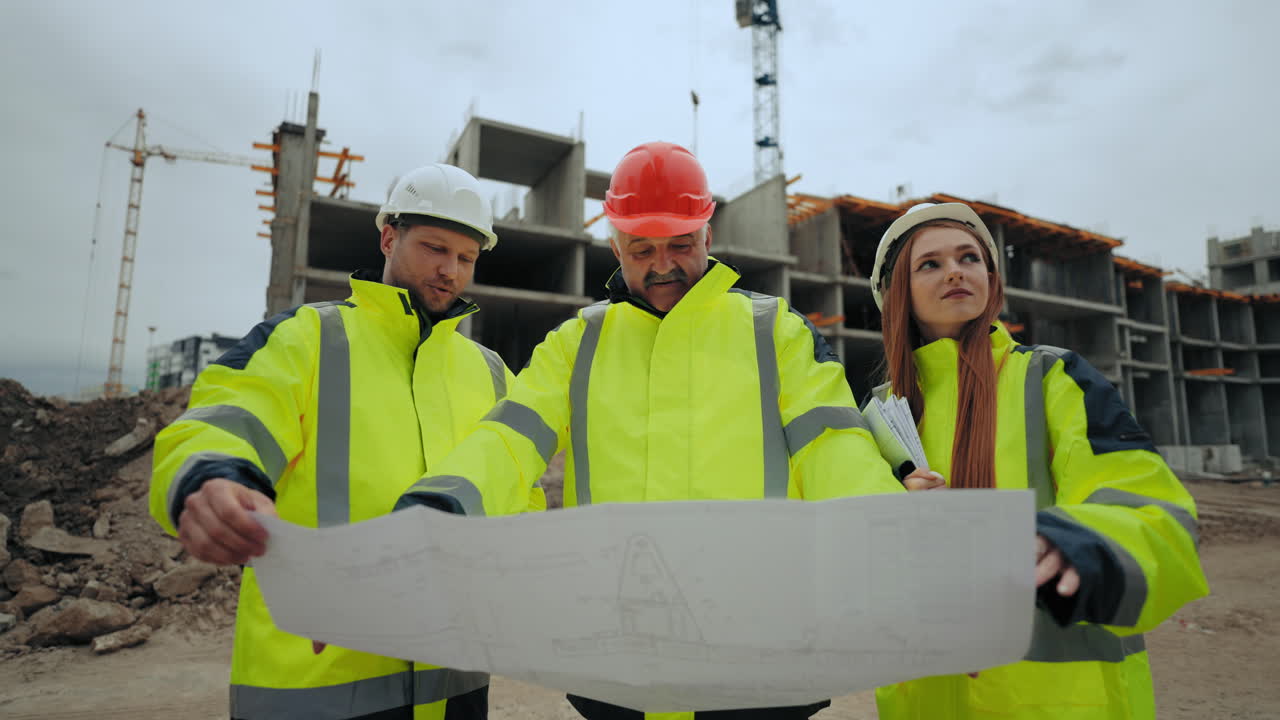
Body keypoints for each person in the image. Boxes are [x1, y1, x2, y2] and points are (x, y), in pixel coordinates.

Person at [396, 141, 904, 720]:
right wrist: (444, 506)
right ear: (616, 246)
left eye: (680, 244)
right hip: (622, 670)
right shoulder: (577, 343)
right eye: (642, 248)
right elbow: (510, 439)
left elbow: (832, 444)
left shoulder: (774, 333)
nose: (663, 264)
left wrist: (888, 529)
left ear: (707, 235)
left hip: (759, 665)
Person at [149, 163, 530, 720]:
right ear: (388, 237)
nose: (450, 271)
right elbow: (226, 416)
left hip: (454, 687)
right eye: (433, 248)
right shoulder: (307, 339)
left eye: (467, 258)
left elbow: (518, 490)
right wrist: (209, 478)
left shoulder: (492, 373)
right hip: (315, 685)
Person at [866, 202, 1210, 719]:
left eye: (969, 257)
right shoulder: (879, 414)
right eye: (930, 264)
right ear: (898, 295)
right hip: (927, 699)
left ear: (991, 277)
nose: (956, 271)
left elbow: (1153, 510)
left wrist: (1075, 541)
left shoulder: (1053, 380)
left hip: (1066, 703)